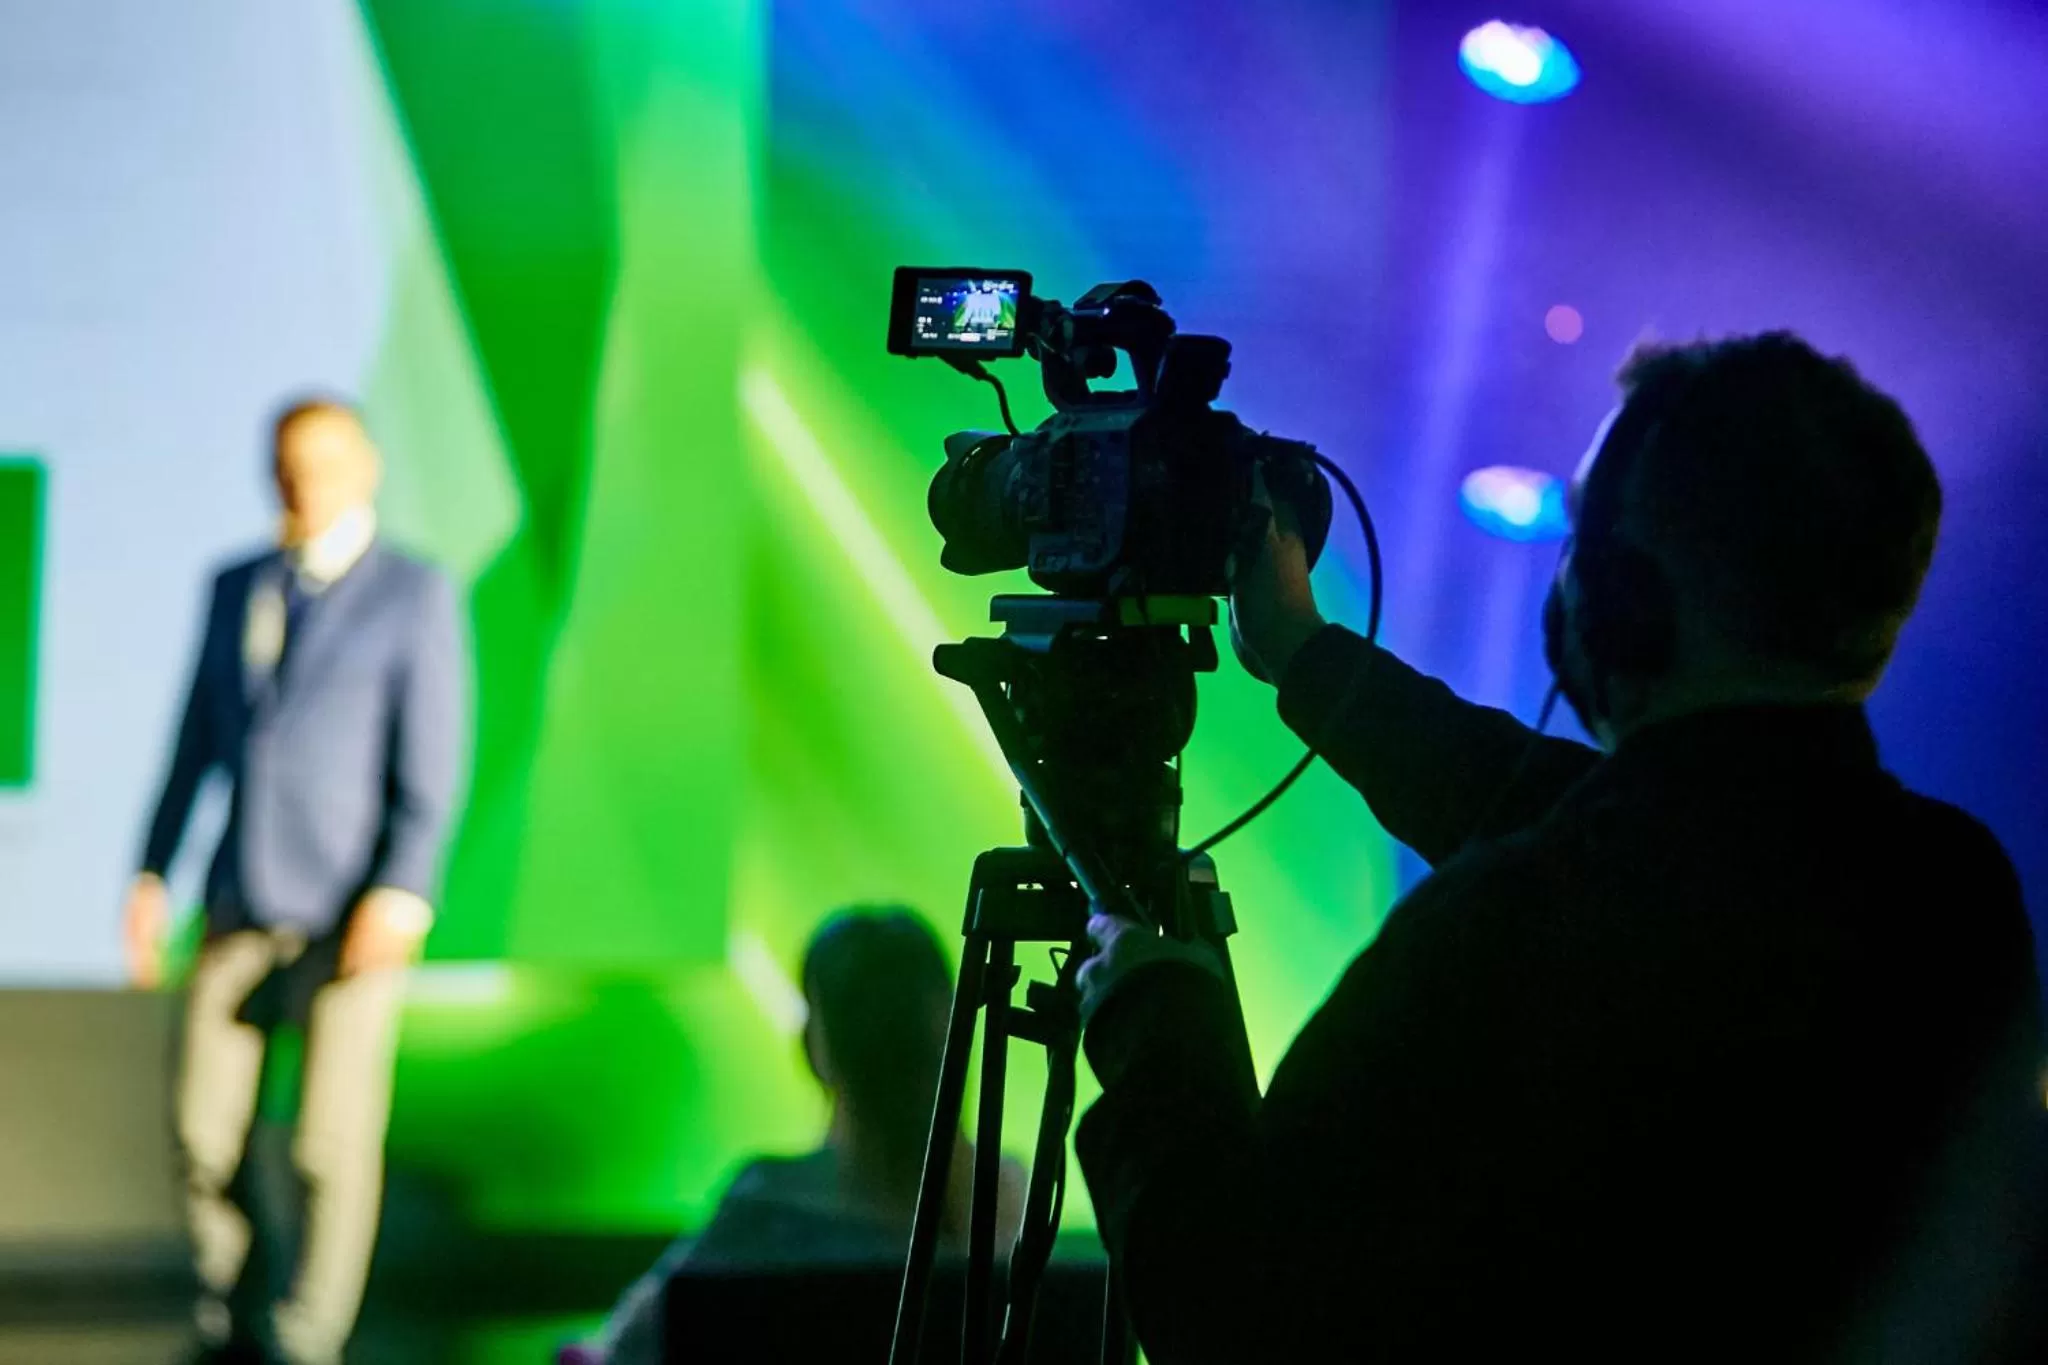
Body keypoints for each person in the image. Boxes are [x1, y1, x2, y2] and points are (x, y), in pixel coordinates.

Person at [1076, 334, 2044, 1363]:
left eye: (1579, 540)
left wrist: (1155, 1020)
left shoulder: (1517, 925)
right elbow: (1618, 813)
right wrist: (1306, 656)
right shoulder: (1951, 888)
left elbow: (1227, 1308)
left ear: (1626, 596)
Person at [123, 397, 467, 1365]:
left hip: (350, 906)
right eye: (286, 465)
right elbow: (194, 741)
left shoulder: (412, 593)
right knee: (203, 1134)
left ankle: (309, 1332)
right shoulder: (239, 585)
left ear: (365, 469)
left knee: (326, 1143)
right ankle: (226, 1317)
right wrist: (152, 869)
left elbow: (432, 761)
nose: (301, 484)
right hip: (240, 896)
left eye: (321, 464)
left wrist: (402, 890)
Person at [585, 906, 1027, 1365]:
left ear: (815, 1049)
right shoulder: (1008, 1203)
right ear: (951, 1034)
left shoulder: (766, 1206)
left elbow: (628, 1346)